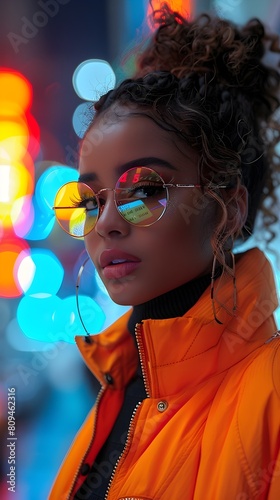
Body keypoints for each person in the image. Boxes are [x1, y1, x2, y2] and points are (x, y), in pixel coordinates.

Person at [50, 4, 280, 499]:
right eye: (90, 200)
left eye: (143, 191)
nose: (106, 222)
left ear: (227, 208)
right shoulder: (115, 392)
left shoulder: (273, 400)